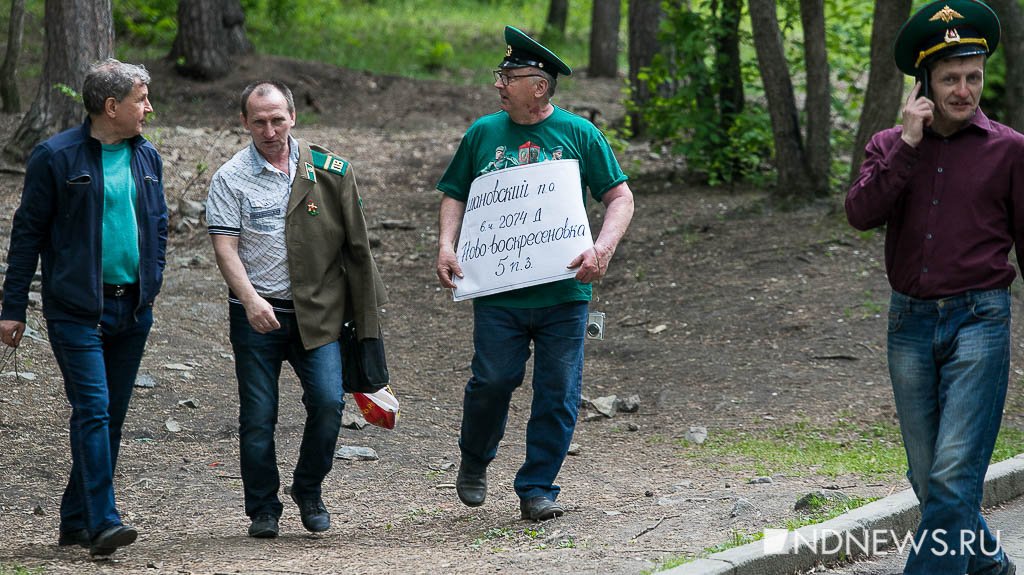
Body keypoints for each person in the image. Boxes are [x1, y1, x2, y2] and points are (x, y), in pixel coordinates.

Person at [435, 26, 634, 521]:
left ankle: (538, 487)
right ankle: (475, 457)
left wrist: (603, 248)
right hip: (499, 291)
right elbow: (455, 192)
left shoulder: (579, 134)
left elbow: (620, 197)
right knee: (493, 380)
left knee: (558, 390)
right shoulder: (483, 133)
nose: (499, 84)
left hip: (565, 292)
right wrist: (445, 244)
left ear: (539, 86)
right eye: (500, 75)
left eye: (509, 76)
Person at [847, 2, 1018, 573]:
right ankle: (990, 567)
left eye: (973, 77)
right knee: (930, 478)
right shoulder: (890, 146)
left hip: (981, 320)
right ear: (925, 84)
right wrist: (907, 145)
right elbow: (860, 213)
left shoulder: (1011, 151)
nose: (964, 90)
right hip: (910, 326)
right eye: (950, 79)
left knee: (951, 475)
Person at [206, 81, 386, 538]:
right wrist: (250, 300)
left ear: (293, 118)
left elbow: (357, 249)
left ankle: (308, 489)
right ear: (245, 123)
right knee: (258, 416)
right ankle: (263, 509)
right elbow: (225, 248)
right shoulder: (230, 178)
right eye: (259, 121)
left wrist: (366, 323)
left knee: (328, 402)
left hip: (318, 313)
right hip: (256, 314)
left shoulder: (331, 171)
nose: (269, 130)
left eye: (277, 119)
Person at [0, 59, 165, 557]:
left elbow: (155, 227)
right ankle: (103, 523)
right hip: (77, 312)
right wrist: (12, 307)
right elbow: (27, 232)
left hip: (132, 309)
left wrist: (153, 282)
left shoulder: (147, 157)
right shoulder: (55, 157)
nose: (149, 108)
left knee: (110, 417)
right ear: (111, 106)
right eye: (141, 99)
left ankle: (74, 519)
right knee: (92, 410)